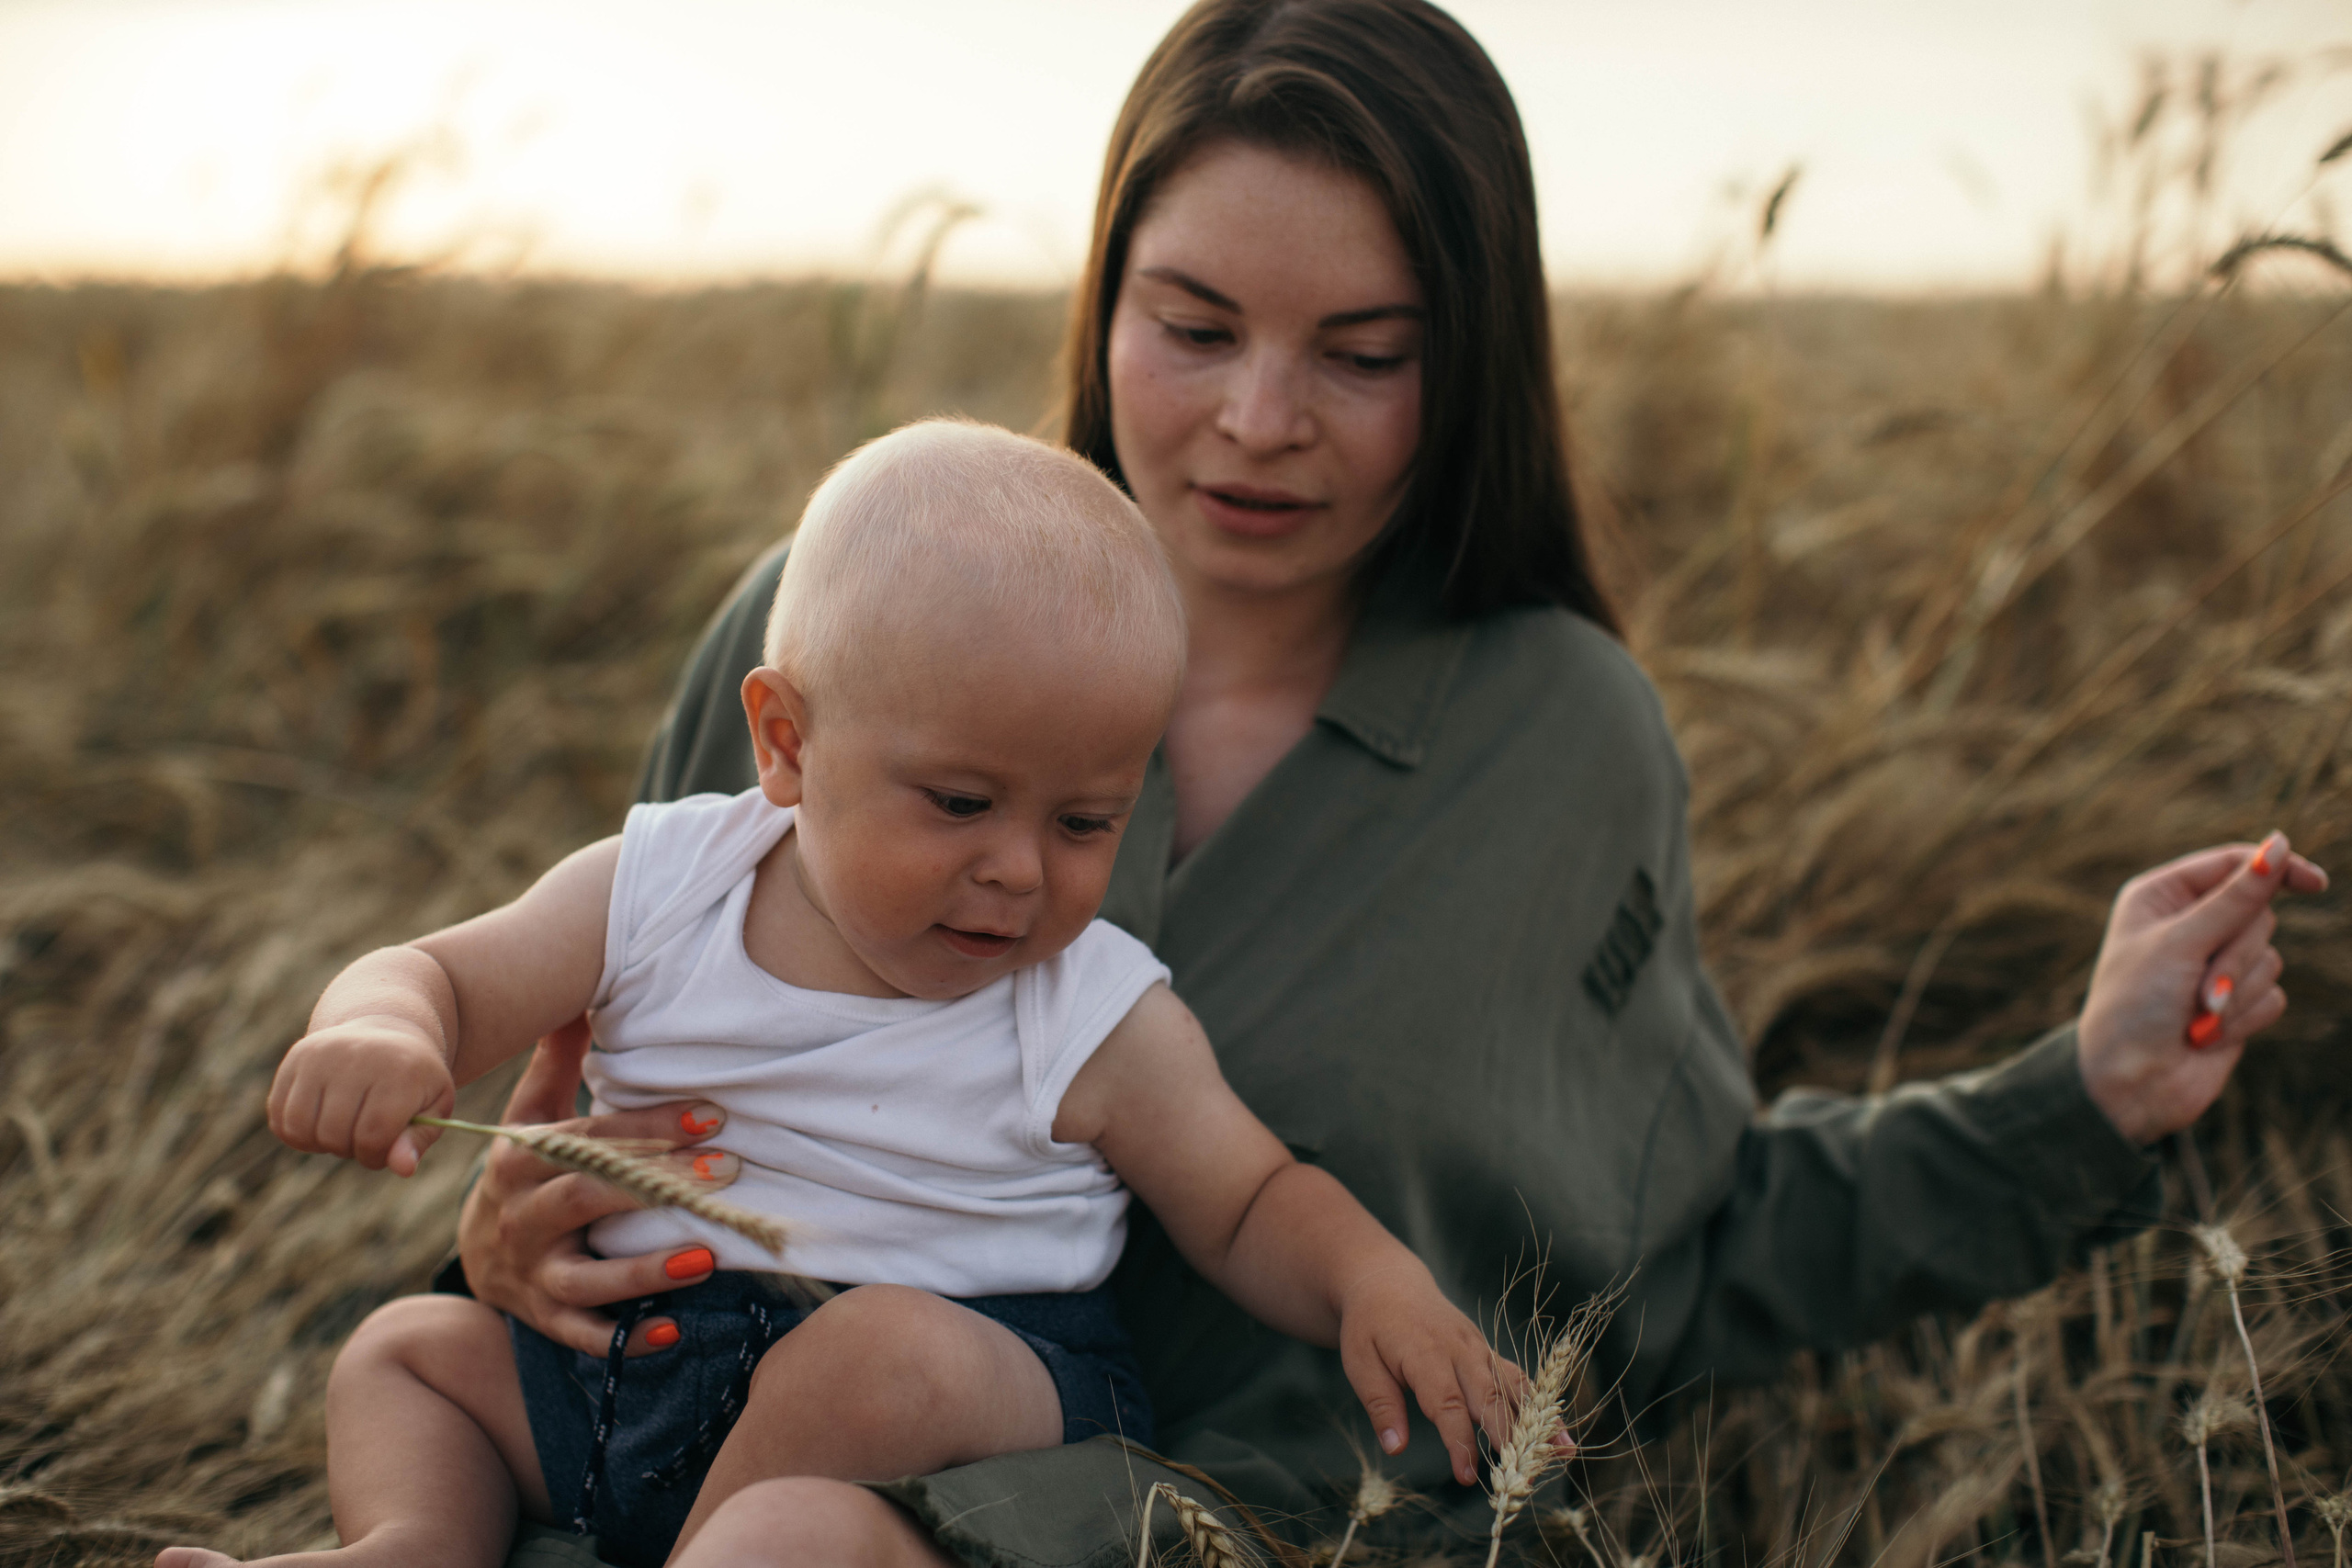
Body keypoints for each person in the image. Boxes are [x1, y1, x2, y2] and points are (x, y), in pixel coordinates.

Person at [447, 3, 2330, 1565]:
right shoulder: (817, 626)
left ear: (1470, 358)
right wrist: (503, 1221)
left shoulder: (1561, 742)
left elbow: (1665, 1242)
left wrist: (2072, 1100)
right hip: (685, 1496)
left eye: (1361, 354)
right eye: (1190, 327)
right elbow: (588, 1094)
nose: (1260, 420)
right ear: (1100, 302)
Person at [156, 422, 1527, 1568]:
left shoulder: (1086, 1009)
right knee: (408, 1352)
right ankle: (405, 1550)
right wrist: (381, 1026)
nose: (1016, 874)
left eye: (1085, 823)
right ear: (786, 743)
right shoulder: (663, 886)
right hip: (626, 1375)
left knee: (855, 1401)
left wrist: (1372, 1282)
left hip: (949, 1396)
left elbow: (1246, 1196)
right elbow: (448, 975)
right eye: (961, 802)